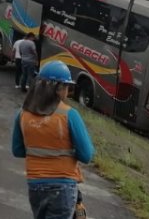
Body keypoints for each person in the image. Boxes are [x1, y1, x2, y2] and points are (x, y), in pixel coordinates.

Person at [11, 60, 94, 219]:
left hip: (35, 185)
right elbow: (86, 155)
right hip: (62, 186)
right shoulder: (69, 114)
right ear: (58, 88)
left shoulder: (22, 114)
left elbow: (17, 150)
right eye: (67, 87)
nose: (67, 92)